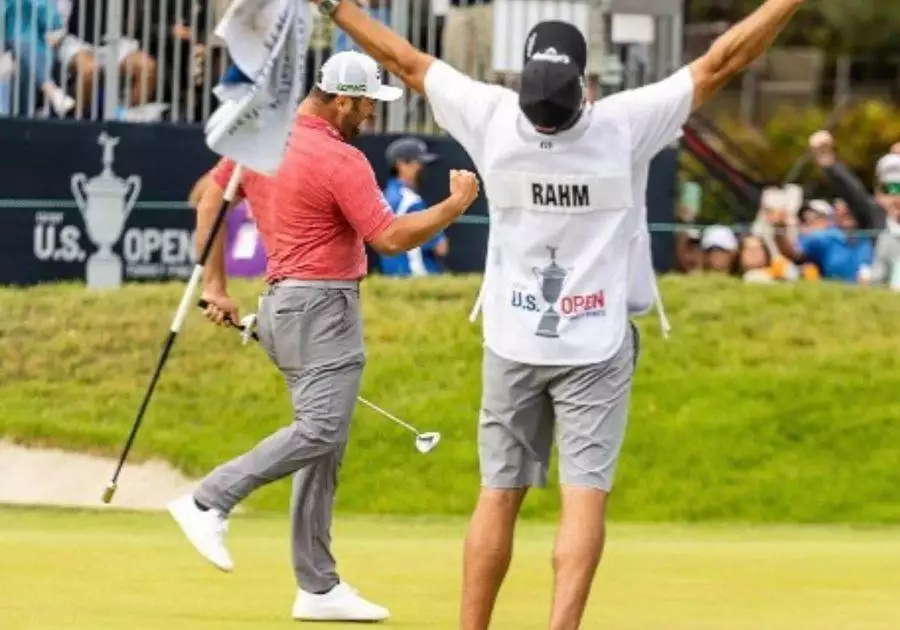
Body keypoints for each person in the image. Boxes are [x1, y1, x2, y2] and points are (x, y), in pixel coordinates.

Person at [319, 0, 807, 627]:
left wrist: (333, 6)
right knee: (584, 497)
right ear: (584, 87)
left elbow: (401, 60)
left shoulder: (492, 117)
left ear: (520, 84)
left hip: (512, 337)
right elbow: (725, 61)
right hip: (596, 344)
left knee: (497, 496)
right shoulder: (622, 124)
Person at [168, 50, 481, 623]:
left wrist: (215, 284)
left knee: (325, 445)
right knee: (320, 430)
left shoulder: (266, 140)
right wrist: (455, 205)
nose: (369, 116)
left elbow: (210, 197)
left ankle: (317, 586)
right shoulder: (342, 159)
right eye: (365, 104)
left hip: (284, 306)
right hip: (323, 308)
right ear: (342, 99)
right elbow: (388, 238)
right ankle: (206, 500)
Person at [379, 136, 449, 277]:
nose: (422, 168)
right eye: (418, 163)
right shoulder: (410, 201)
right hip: (418, 278)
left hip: (393, 279)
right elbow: (441, 248)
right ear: (401, 165)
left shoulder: (384, 197)